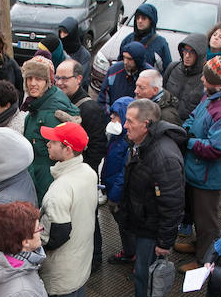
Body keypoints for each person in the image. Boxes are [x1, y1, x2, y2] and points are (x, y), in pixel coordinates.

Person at [116, 99, 185, 297]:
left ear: (146, 124)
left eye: (129, 121)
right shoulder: (142, 143)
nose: (125, 126)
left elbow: (172, 204)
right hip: (143, 221)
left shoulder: (163, 157)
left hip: (153, 229)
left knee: (148, 274)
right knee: (141, 271)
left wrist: (165, 242)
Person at [174, 56, 221, 272]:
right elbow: (194, 116)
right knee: (197, 216)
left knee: (208, 223)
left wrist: (190, 141)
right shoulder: (211, 97)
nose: (203, 80)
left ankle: (204, 261)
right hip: (195, 170)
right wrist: (185, 129)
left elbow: (218, 149)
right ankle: (198, 246)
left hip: (208, 177)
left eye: (208, 78)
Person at [38, 122, 98, 297]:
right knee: (78, 292)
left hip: (63, 263)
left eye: (53, 142)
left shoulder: (60, 188)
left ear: (68, 149)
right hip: (82, 252)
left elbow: (59, 234)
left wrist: (40, 245)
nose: (47, 144)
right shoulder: (88, 172)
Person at [54, 59, 108, 266]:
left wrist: (82, 169)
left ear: (78, 79)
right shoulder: (62, 102)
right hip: (70, 172)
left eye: (64, 78)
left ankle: (95, 259)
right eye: (57, 77)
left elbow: (97, 147)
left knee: (87, 218)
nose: (59, 82)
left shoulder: (90, 109)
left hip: (83, 173)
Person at [21, 55, 79, 203]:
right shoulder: (36, 106)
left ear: (48, 81)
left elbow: (59, 157)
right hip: (38, 180)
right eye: (29, 78)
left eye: (38, 79)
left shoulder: (51, 113)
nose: (33, 83)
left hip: (46, 185)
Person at [103, 97, 136, 265]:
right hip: (113, 188)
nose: (111, 118)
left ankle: (134, 254)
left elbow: (123, 173)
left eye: (115, 115)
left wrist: (114, 196)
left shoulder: (128, 143)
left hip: (120, 194)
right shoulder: (117, 138)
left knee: (127, 225)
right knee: (123, 226)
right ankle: (130, 250)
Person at [98, 41, 151, 114]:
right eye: (124, 58)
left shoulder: (150, 75)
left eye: (129, 59)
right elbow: (103, 99)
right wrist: (110, 118)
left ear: (138, 60)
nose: (126, 62)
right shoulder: (114, 71)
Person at [163, 33, 207, 120]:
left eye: (192, 52)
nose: (187, 55)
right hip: (165, 121)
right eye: (185, 50)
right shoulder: (173, 68)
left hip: (186, 127)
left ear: (199, 55)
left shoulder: (205, 77)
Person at [118, 3, 172, 72]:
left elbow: (167, 70)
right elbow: (120, 64)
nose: (140, 21)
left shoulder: (161, 44)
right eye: (138, 18)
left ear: (151, 21)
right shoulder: (128, 40)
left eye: (144, 18)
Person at [59, 16, 91, 90]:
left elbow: (82, 79)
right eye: (61, 32)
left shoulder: (84, 55)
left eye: (65, 33)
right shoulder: (60, 50)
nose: (62, 36)